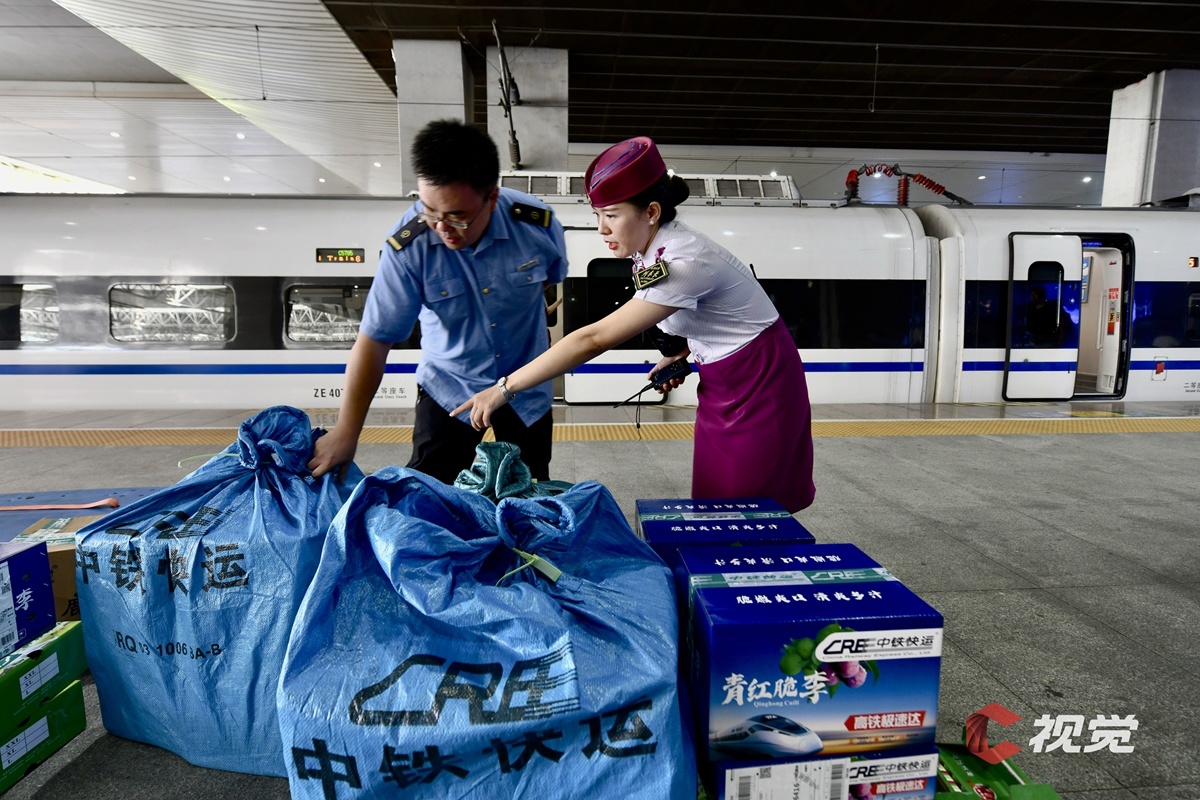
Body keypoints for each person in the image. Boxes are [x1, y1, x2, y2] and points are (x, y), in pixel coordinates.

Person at [452, 136, 815, 513]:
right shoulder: (651, 249)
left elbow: (593, 339)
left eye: (611, 215)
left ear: (652, 212)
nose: (601, 229)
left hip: (761, 383)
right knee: (715, 499)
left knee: (749, 507)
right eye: (597, 215)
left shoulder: (683, 262)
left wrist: (505, 388)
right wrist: (681, 350)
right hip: (722, 380)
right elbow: (716, 313)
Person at [307, 120, 568, 483]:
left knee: (528, 494)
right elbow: (374, 340)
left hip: (525, 388)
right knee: (430, 494)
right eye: (429, 211)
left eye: (457, 216)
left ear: (492, 198)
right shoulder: (408, 247)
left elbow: (551, 281)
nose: (441, 227)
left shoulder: (538, 226)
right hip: (450, 388)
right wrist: (346, 433)